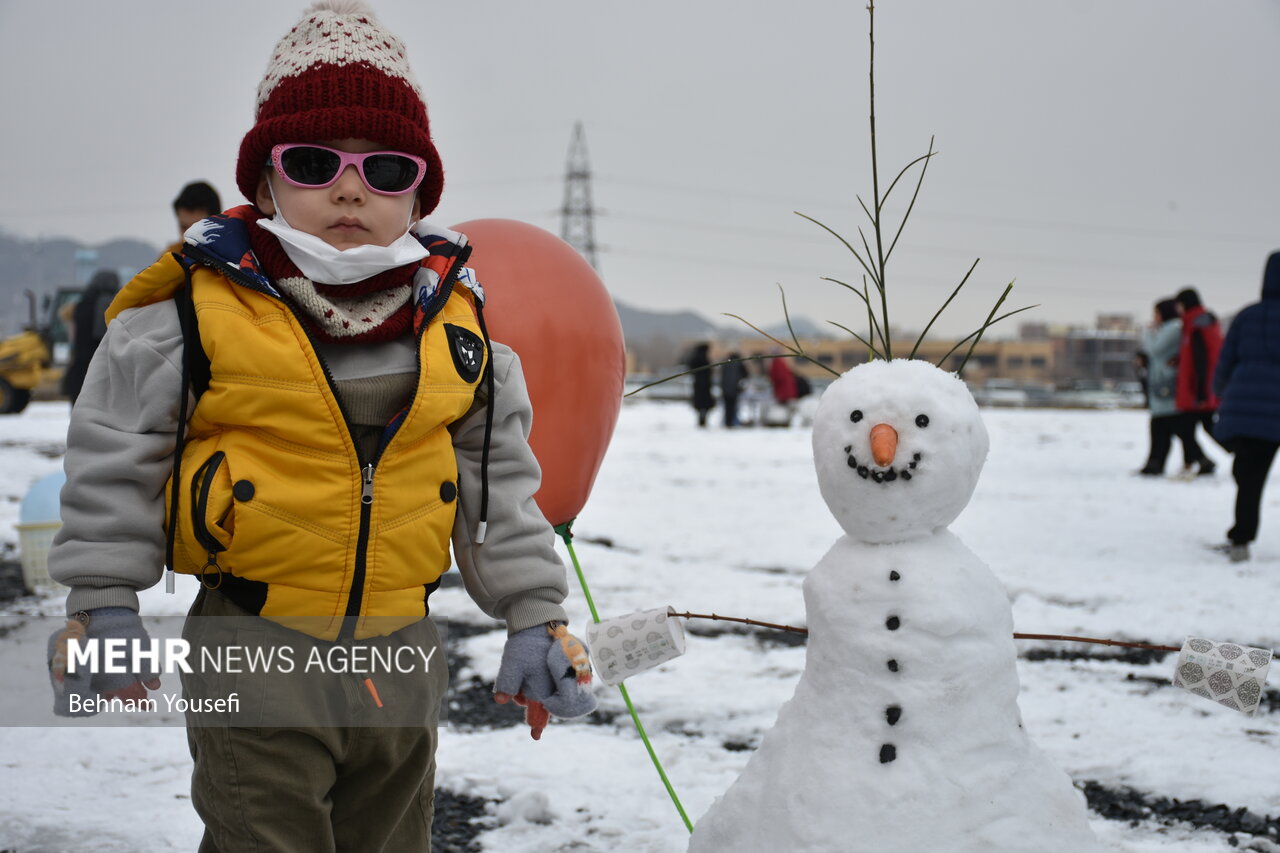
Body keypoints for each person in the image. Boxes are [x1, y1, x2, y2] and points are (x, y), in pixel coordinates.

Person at [44, 3, 595, 849]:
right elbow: (114, 459)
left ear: (419, 194)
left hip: (402, 654)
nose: (349, 187)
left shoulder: (458, 329)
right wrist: (105, 606)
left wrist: (533, 613)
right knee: (262, 836)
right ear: (264, 183)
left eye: (385, 168)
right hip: (253, 639)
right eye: (313, 162)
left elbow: (500, 492)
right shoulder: (190, 313)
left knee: (390, 838)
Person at [1209, 252, 1280, 563]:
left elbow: (1225, 361)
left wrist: (1220, 390)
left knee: (1248, 476)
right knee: (1251, 473)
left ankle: (1241, 540)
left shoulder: (1247, 316)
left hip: (1247, 409)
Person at [1137, 298, 1201, 475]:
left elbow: (1155, 349)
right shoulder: (1169, 329)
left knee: (1169, 426)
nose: (1154, 317)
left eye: (1156, 313)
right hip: (1162, 385)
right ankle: (1157, 463)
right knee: (1168, 427)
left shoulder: (1173, 329)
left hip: (1167, 385)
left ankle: (1197, 459)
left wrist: (1148, 333)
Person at [1173, 286, 1223, 476]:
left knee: (1183, 427)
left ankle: (1202, 460)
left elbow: (1201, 360)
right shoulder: (1202, 322)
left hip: (1196, 390)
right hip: (1201, 388)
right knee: (1198, 427)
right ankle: (1195, 462)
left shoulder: (1196, 325)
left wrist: (1201, 392)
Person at [60, 269, 120, 405]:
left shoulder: (80, 305)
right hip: (102, 371)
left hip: (80, 370)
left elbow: (73, 338)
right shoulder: (113, 305)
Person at [167, 181, 223, 255]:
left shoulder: (236, 259)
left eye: (196, 229)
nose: (187, 238)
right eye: (184, 227)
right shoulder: (171, 257)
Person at [686, 341, 715, 427]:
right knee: (703, 405)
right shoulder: (701, 358)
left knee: (702, 406)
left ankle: (702, 420)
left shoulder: (695, 358)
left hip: (701, 386)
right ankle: (702, 421)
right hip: (702, 386)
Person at [719, 352, 748, 428]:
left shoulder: (725, 364)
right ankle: (732, 421)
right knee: (733, 406)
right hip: (734, 389)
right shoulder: (739, 364)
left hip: (725, 389)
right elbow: (745, 374)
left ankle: (727, 422)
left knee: (727, 407)